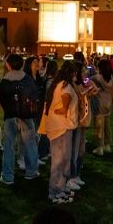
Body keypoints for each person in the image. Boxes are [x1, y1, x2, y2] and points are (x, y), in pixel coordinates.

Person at [0, 53, 41, 185]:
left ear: (8, 65)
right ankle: (31, 171)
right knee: (30, 143)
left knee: (9, 146)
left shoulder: (5, 81)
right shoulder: (27, 79)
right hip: (27, 115)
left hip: (10, 116)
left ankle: (8, 175)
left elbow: (2, 99)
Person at [45, 61, 78, 203]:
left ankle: (60, 187)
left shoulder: (61, 84)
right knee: (60, 160)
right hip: (61, 127)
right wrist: (64, 109)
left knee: (64, 159)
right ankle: (54, 192)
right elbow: (66, 97)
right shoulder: (65, 86)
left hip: (62, 126)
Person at [68, 60, 98, 189]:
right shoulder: (73, 85)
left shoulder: (83, 84)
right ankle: (71, 177)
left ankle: (77, 174)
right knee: (74, 150)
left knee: (81, 150)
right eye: (82, 71)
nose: (85, 74)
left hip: (83, 120)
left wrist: (89, 93)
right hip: (76, 121)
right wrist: (86, 94)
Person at [91, 59, 113, 156]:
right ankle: (107, 145)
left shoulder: (97, 78)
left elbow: (86, 80)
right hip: (108, 103)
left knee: (99, 127)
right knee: (107, 125)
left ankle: (100, 148)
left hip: (99, 105)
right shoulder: (110, 77)